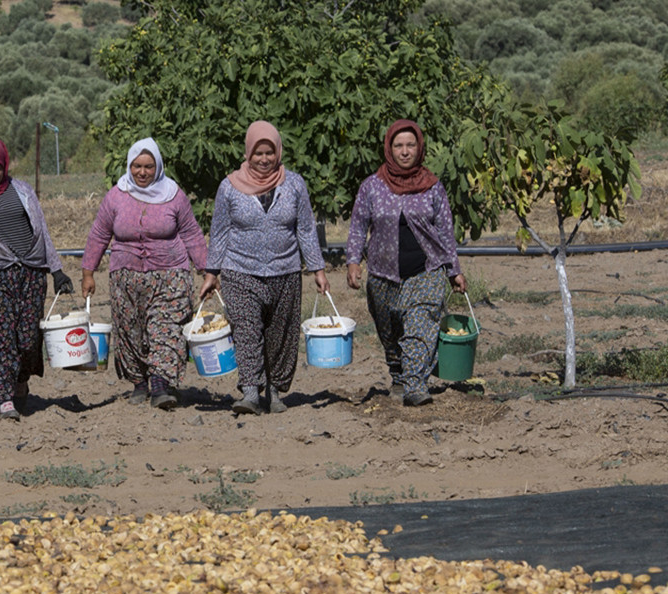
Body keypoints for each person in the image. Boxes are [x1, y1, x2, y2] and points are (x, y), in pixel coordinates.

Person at [199, 121, 329, 415]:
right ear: (248, 153)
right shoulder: (229, 187)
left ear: (278, 152)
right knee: (246, 330)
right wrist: (211, 273)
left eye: (270, 152)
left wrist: (318, 270)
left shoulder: (294, 184)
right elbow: (219, 232)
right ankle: (250, 392)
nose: (264, 159)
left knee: (280, 335)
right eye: (258, 153)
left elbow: (305, 229)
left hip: (285, 271)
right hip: (240, 270)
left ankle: (274, 390)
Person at [345, 119, 467, 407]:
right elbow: (358, 225)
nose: (404, 151)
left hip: (426, 271)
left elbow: (445, 231)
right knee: (390, 334)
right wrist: (353, 261)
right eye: (398, 145)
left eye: (410, 145)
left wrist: (454, 270)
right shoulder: (372, 187)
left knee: (419, 327)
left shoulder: (432, 187)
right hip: (382, 274)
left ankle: (415, 385)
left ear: (419, 148)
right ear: (389, 149)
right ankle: (398, 374)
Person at [82, 137, 207, 409]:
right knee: (131, 331)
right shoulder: (116, 196)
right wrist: (88, 272)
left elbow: (192, 234)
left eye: (148, 167)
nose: (142, 172)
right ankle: (139, 382)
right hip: (125, 279)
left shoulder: (174, 195)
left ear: (158, 167)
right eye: (137, 166)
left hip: (170, 276)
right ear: (129, 166)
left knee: (166, 329)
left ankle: (160, 385)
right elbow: (99, 234)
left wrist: (206, 270)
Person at [0, 136, 72, 421]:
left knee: (27, 338)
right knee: (0, 338)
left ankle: (21, 381)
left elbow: (41, 229)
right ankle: (5, 398)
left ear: (5, 165)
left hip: (31, 273)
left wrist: (56, 269)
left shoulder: (21, 189)